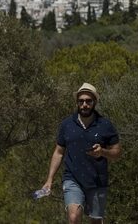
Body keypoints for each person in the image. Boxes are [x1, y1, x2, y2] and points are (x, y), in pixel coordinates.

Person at [41, 83, 122, 224]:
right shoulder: (67, 125)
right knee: (73, 217)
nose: (84, 104)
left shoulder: (105, 125)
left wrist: (102, 152)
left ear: (94, 102)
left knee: (96, 221)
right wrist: (49, 180)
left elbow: (117, 152)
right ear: (77, 102)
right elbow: (59, 153)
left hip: (97, 180)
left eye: (88, 101)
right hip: (72, 178)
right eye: (81, 101)